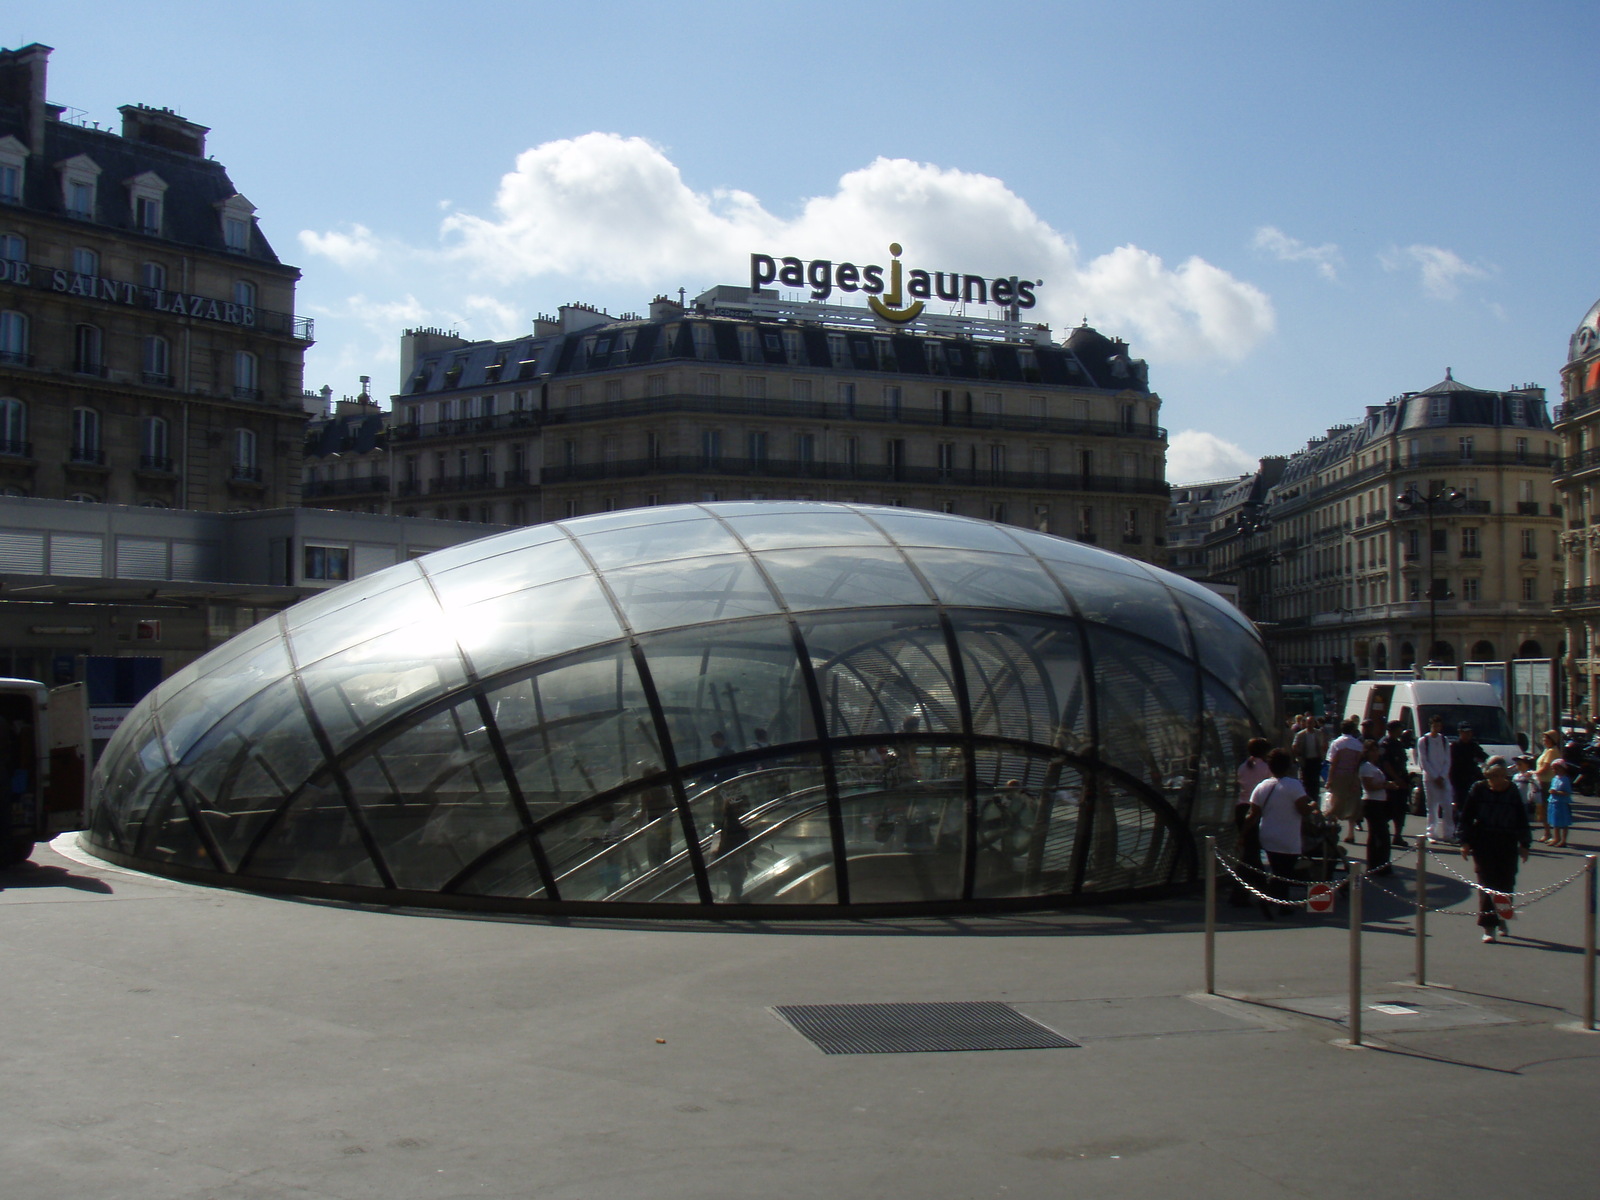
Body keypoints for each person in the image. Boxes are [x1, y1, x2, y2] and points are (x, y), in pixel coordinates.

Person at [1457, 756, 1532, 943]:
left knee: (1506, 883)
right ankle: (1488, 926)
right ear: (1487, 775)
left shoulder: (1512, 790)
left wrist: (1524, 844)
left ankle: (1502, 919)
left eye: (1500, 776)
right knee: (1487, 884)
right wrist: (1464, 842)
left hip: (1507, 841)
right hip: (1484, 841)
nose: (1496, 781)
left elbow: (1521, 818)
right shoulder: (1478, 789)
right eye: (1493, 776)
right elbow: (1466, 817)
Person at [1246, 747, 1314, 920]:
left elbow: (1252, 815)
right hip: (1288, 835)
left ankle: (1278, 900)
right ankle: (1271, 897)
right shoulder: (1294, 785)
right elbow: (1303, 810)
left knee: (1278, 869)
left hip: (1268, 834)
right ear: (1288, 765)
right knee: (1285, 871)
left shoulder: (1262, 786)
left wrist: (1242, 836)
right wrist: (1312, 807)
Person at [1231, 737, 1273, 905]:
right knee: (1251, 853)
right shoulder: (1265, 768)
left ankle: (1259, 889)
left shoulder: (1244, 766)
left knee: (1251, 852)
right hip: (1254, 809)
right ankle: (1256, 890)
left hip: (1241, 808)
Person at [1324, 718, 1365, 844]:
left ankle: (1330, 830)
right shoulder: (1357, 744)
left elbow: (1333, 763)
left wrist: (1329, 780)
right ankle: (1351, 833)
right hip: (1352, 776)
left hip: (1338, 776)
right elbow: (1358, 763)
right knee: (1352, 804)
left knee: (1335, 803)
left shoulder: (1337, 743)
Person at [1358, 739, 1395, 875]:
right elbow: (1369, 786)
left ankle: (1376, 864)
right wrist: (1385, 785)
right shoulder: (1366, 767)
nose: (1375, 753)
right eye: (1372, 750)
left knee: (1376, 835)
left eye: (1376, 750)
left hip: (1378, 801)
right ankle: (1379, 865)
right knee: (1381, 835)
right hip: (1372, 802)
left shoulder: (1374, 766)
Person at [1417, 713, 1454, 841]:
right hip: (1430, 778)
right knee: (1432, 807)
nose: (1437, 728)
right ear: (1430, 726)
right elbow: (1423, 761)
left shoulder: (1444, 740)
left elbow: (1447, 760)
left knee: (1447, 805)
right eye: (1434, 725)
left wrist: (1442, 776)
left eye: (1439, 726)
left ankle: (1448, 833)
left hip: (1443, 778)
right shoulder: (1424, 741)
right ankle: (1431, 833)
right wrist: (1434, 776)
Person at [1449, 722, 1488, 831]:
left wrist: (1492, 761)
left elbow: (1484, 757)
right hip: (1458, 781)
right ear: (1460, 733)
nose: (1468, 734)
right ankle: (1458, 830)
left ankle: (1470, 830)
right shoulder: (1454, 747)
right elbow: (1450, 766)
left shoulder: (1473, 745)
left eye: (1469, 732)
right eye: (1465, 732)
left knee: (1474, 806)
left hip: (1472, 780)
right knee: (1460, 806)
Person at [1379, 720, 1411, 848]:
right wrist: (1396, 779)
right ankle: (1382, 834)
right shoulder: (1384, 744)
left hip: (1401, 780)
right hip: (1389, 782)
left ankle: (1398, 835)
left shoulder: (1398, 744)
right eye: (1399, 729)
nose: (1400, 731)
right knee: (1388, 809)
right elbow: (1386, 764)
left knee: (1400, 810)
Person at [1291, 715, 1326, 804]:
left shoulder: (1318, 733)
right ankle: (1306, 798)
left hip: (1316, 760)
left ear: (1314, 723)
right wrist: (1297, 755)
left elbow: (1323, 745)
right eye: (1308, 722)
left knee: (1315, 781)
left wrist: (1323, 754)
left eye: (1312, 722)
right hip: (1305, 761)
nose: (1310, 724)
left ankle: (1315, 799)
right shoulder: (1300, 734)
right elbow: (1294, 745)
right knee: (1306, 781)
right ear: (1305, 723)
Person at [1535, 729, 1561, 843]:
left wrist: (1531, 774)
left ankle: (1551, 834)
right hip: (1541, 781)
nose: (1544, 740)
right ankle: (1547, 833)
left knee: (1545, 808)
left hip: (1546, 782)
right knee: (1542, 808)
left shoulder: (1552, 752)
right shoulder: (1547, 750)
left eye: (1546, 738)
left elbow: (1545, 768)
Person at [1546, 759, 1574, 849]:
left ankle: (1563, 840)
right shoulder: (1555, 779)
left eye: (1556, 769)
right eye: (1553, 769)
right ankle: (1556, 838)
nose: (1554, 771)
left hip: (1562, 803)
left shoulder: (1565, 779)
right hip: (1553, 802)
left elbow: (1567, 792)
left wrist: (1557, 792)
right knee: (1555, 822)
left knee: (1564, 823)